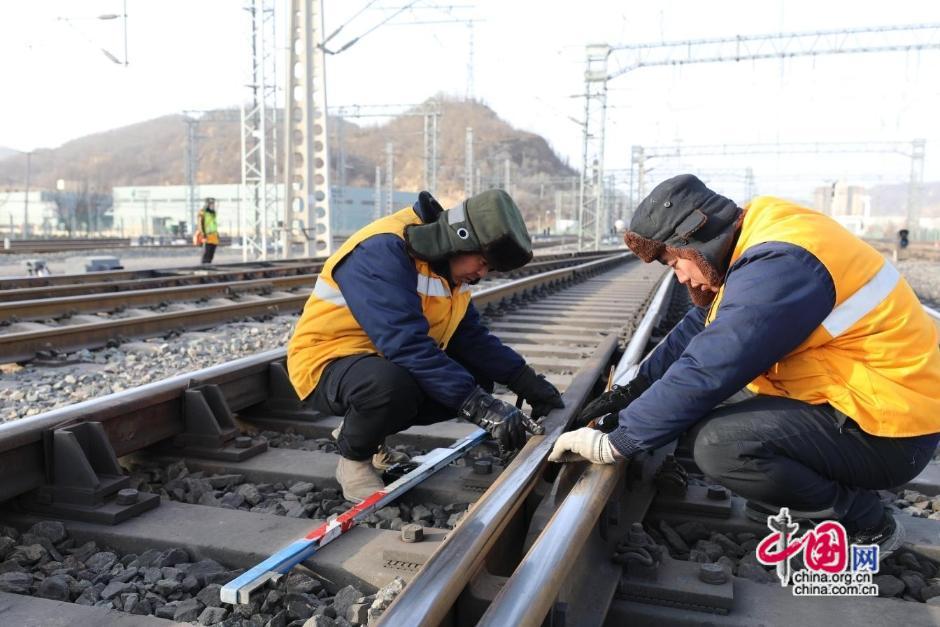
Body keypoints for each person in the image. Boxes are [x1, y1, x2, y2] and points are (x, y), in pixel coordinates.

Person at [550, 174, 940, 556]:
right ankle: (795, 497)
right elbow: (701, 328)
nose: (681, 275)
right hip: (871, 400)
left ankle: (866, 522)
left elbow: (711, 364)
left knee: (720, 446)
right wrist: (631, 392)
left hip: (891, 430)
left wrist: (619, 442)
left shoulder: (782, 267)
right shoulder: (762, 232)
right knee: (695, 410)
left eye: (674, 264)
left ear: (696, 240)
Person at [288, 189, 564, 502]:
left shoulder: (447, 266)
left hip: (382, 360)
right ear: (463, 239)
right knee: (391, 386)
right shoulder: (383, 250)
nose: (482, 273)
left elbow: (469, 335)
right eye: (484, 262)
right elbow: (405, 343)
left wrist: (526, 381)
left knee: (475, 379)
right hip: (327, 361)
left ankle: (367, 431)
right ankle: (354, 461)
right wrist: (481, 407)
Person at [195, 198, 220, 264]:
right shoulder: (202, 212)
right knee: (206, 252)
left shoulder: (213, 213)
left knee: (211, 253)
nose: (213, 205)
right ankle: (204, 265)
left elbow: (213, 224)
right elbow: (200, 224)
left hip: (214, 235)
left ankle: (209, 264)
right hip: (207, 235)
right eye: (211, 204)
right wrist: (203, 234)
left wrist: (217, 234)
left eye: (213, 204)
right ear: (207, 204)